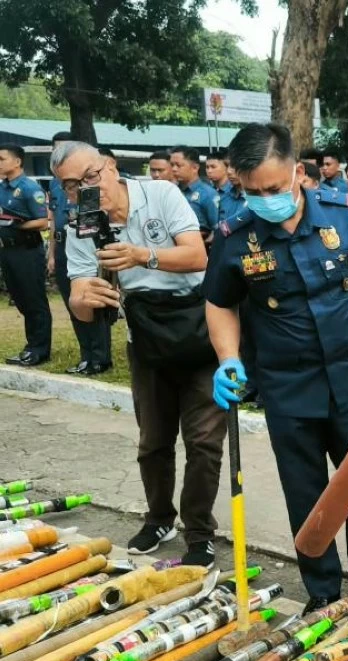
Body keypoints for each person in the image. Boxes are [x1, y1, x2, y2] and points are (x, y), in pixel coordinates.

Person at [204, 123, 348, 617]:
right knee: (304, 489)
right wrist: (228, 357)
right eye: (252, 192)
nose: (265, 199)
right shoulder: (235, 234)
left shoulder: (347, 215)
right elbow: (219, 304)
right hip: (287, 385)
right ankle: (321, 588)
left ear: (297, 172)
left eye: (273, 188)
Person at [54, 140, 223, 566]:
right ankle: (159, 517)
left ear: (110, 166)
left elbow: (197, 255)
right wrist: (83, 297)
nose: (85, 191)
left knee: (203, 441)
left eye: (91, 177)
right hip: (145, 337)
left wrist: (142, 255)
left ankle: (199, 532)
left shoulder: (161, 193)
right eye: (71, 187)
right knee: (153, 441)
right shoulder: (81, 224)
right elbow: (80, 301)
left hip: (198, 328)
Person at [47, 132, 112, 376]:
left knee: (95, 298)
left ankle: (100, 356)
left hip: (90, 242)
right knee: (74, 301)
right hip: (67, 243)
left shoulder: (92, 182)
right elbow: (54, 220)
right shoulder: (57, 185)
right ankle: (86, 354)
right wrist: (52, 254)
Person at [0, 144, 52, 368]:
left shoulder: (30, 188)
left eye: (1, 159)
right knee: (20, 299)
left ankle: (39, 349)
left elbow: (42, 222)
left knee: (34, 300)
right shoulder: (2, 187)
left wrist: (16, 225)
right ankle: (32, 345)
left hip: (27, 251)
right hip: (7, 250)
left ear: (17, 161)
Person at [171, 147, 219, 242]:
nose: (174, 169)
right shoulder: (172, 191)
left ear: (195, 168)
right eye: (172, 165)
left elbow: (218, 228)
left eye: (178, 165)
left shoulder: (208, 194)